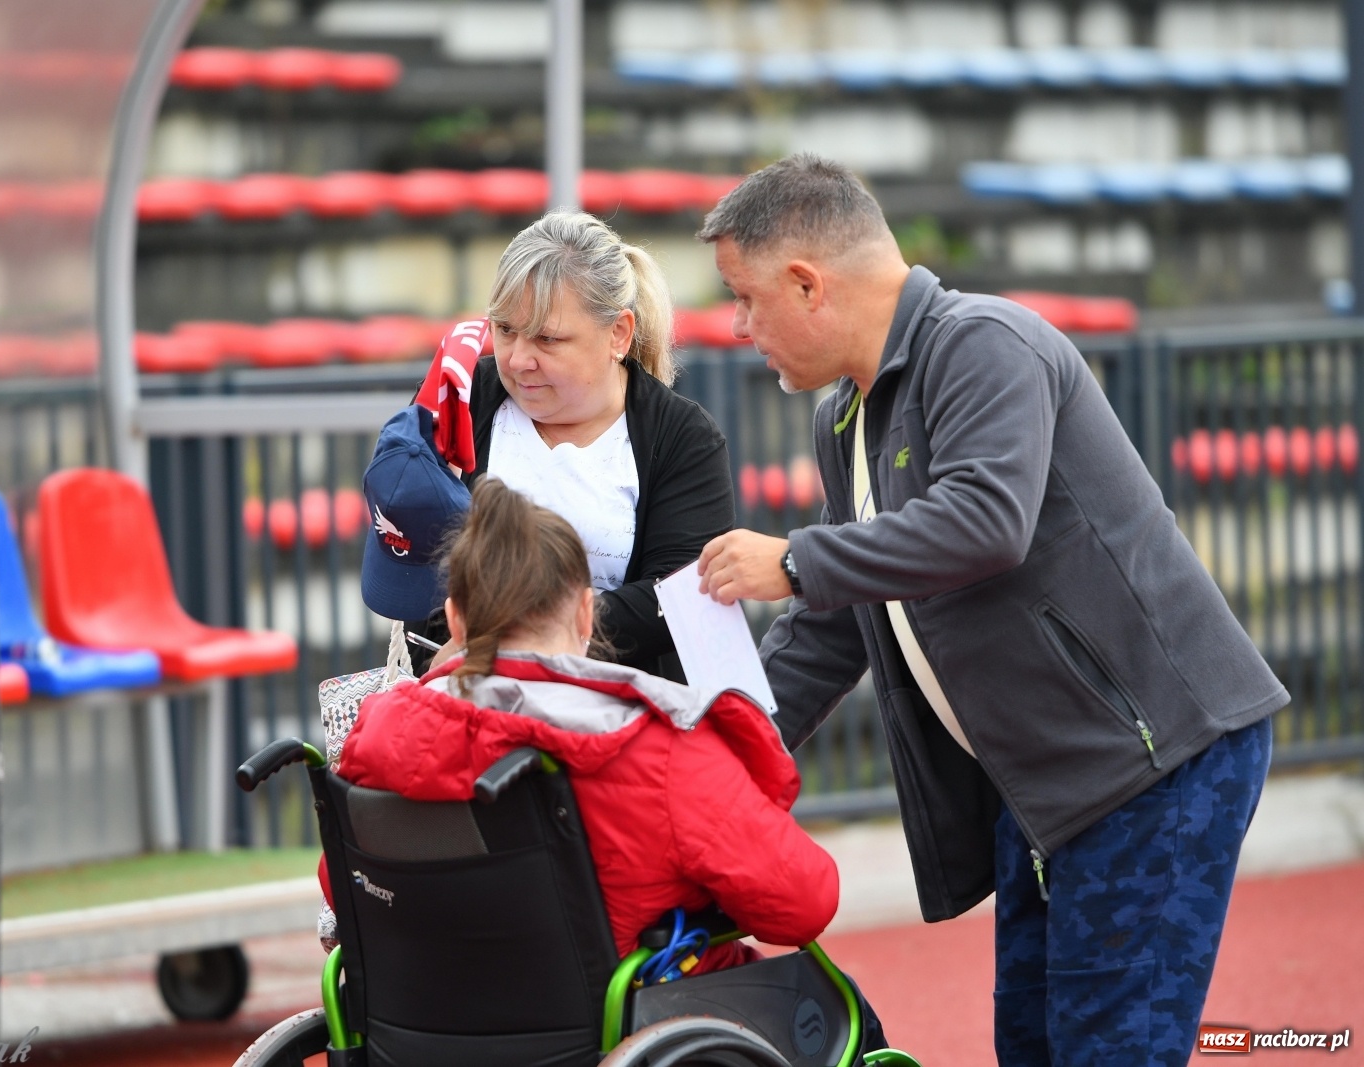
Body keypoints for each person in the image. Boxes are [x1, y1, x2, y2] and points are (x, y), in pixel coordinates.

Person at [692, 154, 1286, 1067]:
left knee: (1105, 1051)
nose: (738, 327)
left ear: (807, 283)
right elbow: (837, 620)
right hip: (1045, 782)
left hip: (1153, 762)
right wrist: (711, 743)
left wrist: (797, 559)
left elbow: (984, 521)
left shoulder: (982, 342)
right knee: (1035, 1047)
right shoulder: (842, 414)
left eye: (745, 297)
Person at [333, 477, 863, 993]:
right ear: (587, 613)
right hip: (621, 1023)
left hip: (427, 1023)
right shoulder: (657, 745)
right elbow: (803, 904)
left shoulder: (380, 735)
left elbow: (343, 888)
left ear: (454, 621)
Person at [409, 210, 733, 681]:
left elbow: (675, 599)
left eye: (548, 338)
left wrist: (514, 643)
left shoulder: (685, 438)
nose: (519, 359)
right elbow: (414, 555)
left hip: (620, 722)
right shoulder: (461, 396)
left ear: (618, 334)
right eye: (505, 330)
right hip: (468, 710)